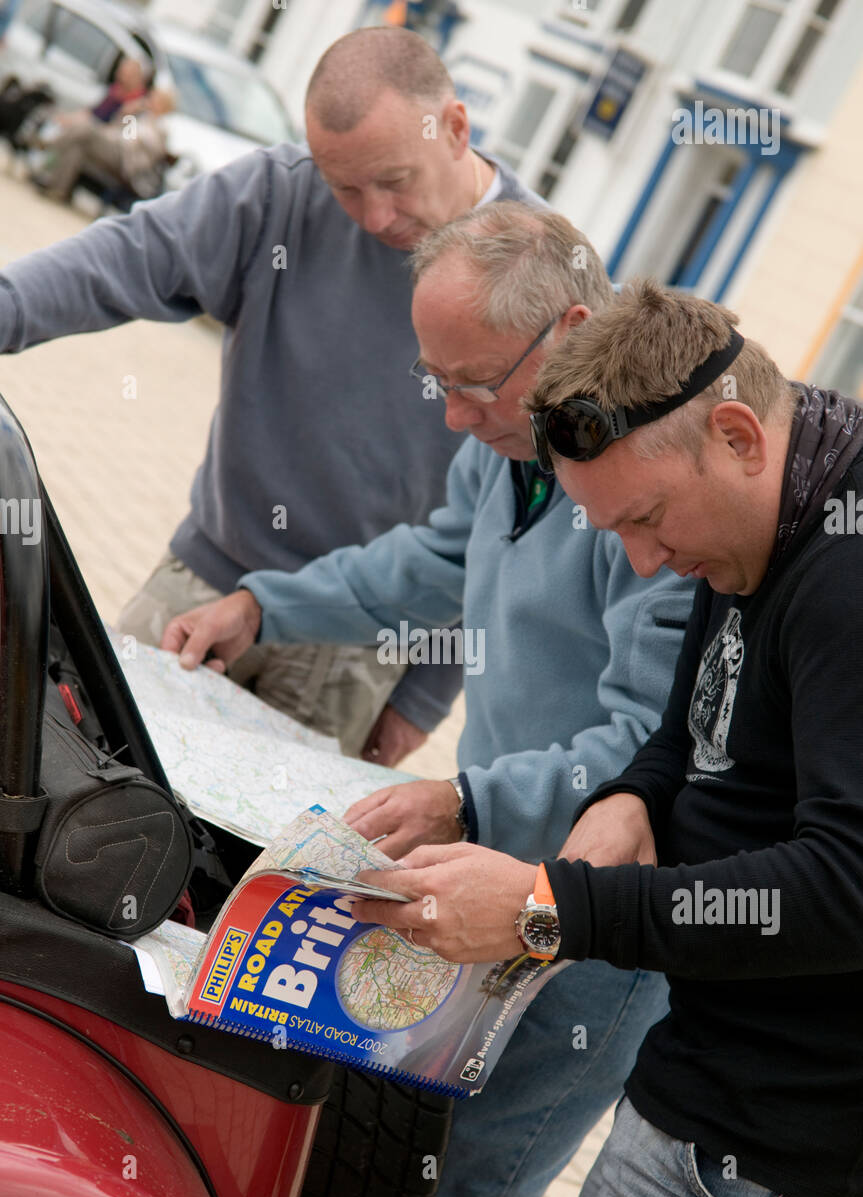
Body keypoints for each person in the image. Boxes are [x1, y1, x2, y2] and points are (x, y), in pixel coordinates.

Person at [162, 204, 695, 1197]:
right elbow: (431, 558)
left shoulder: (647, 503)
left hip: (598, 930)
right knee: (381, 1184)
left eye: (473, 383)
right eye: (433, 381)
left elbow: (652, 751)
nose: (450, 416)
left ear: (569, 330)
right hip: (488, 858)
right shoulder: (510, 449)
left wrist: (466, 799)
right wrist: (263, 605)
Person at [350, 279, 863, 1197]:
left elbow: (844, 885)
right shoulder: (754, 510)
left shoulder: (842, 579)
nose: (643, 561)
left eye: (646, 518)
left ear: (734, 434)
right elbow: (685, 726)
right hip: (695, 1082)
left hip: (792, 1160)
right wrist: (633, 790)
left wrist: (549, 911)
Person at [0, 26, 537, 763]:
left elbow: (516, 525)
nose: (373, 217)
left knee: (249, 874)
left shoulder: (541, 273)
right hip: (204, 582)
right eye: (344, 187)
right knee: (76, 788)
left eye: (394, 181)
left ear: (454, 128)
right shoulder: (277, 193)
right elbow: (122, 260)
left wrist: (421, 696)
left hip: (361, 649)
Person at [37, 88, 174, 204]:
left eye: (155, 98)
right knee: (79, 146)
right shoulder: (143, 116)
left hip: (124, 160)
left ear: (164, 105)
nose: (150, 99)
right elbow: (116, 128)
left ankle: (47, 144)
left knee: (86, 129)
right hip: (113, 148)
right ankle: (58, 188)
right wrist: (126, 113)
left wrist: (134, 118)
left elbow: (134, 142)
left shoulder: (161, 127)